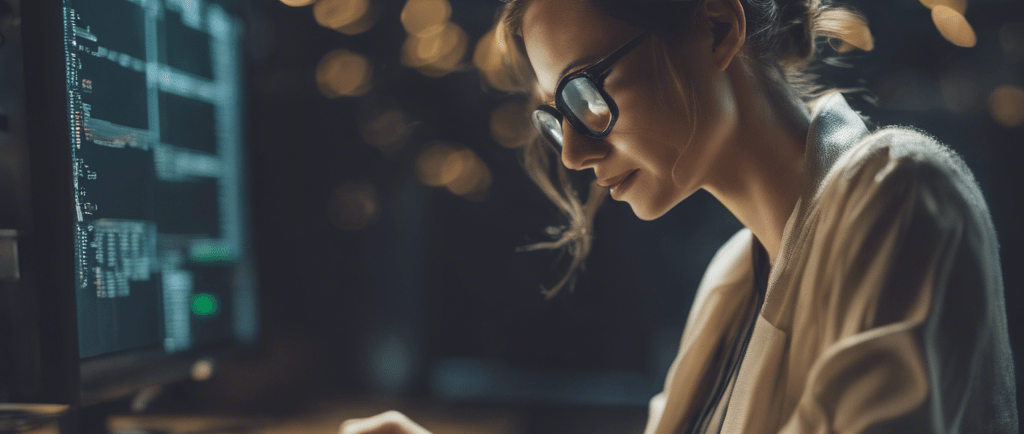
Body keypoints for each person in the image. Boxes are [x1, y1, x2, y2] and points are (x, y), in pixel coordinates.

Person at [340, 0, 1019, 432]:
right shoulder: (730, 281)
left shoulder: (900, 187)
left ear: (717, 27)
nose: (573, 151)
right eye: (556, 114)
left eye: (585, 91)